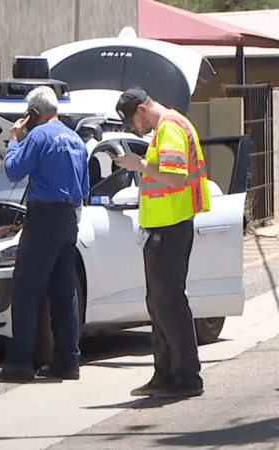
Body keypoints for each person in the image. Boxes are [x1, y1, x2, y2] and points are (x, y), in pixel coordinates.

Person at [0, 86, 88, 382]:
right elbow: (85, 188)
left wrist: (15, 140)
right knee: (64, 294)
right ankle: (68, 361)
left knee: (26, 290)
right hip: (68, 219)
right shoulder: (76, 140)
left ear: (32, 114)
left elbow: (14, 171)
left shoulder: (38, 136)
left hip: (43, 217)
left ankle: (19, 363)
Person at [113, 88, 210, 398]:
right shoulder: (168, 127)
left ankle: (186, 377)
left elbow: (174, 179)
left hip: (172, 227)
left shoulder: (169, 128)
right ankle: (165, 374)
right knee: (159, 304)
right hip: (164, 227)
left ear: (143, 109)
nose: (132, 128)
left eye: (132, 120)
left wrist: (138, 165)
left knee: (169, 305)